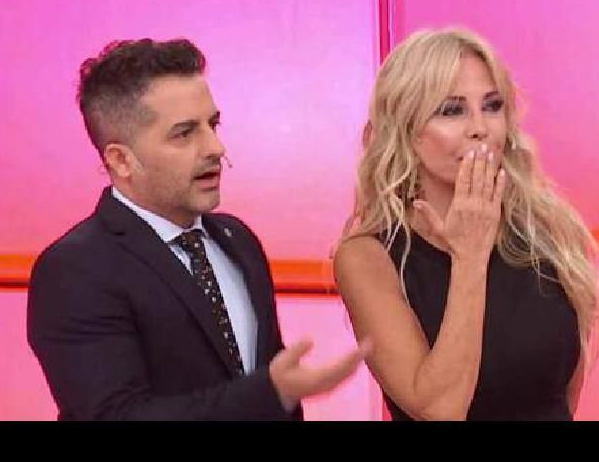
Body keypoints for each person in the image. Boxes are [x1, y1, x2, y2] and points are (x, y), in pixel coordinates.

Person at [27, 38, 370, 420]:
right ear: (121, 160)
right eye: (184, 133)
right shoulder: (75, 269)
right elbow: (117, 416)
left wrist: (279, 393)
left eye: (213, 124)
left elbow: (272, 386)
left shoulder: (238, 240)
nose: (215, 148)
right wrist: (269, 392)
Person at [333, 27, 599, 421]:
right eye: (451, 110)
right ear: (407, 129)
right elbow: (440, 409)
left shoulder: (548, 231)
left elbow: (560, 399)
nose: (480, 127)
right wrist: (470, 257)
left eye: (492, 106)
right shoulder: (366, 257)